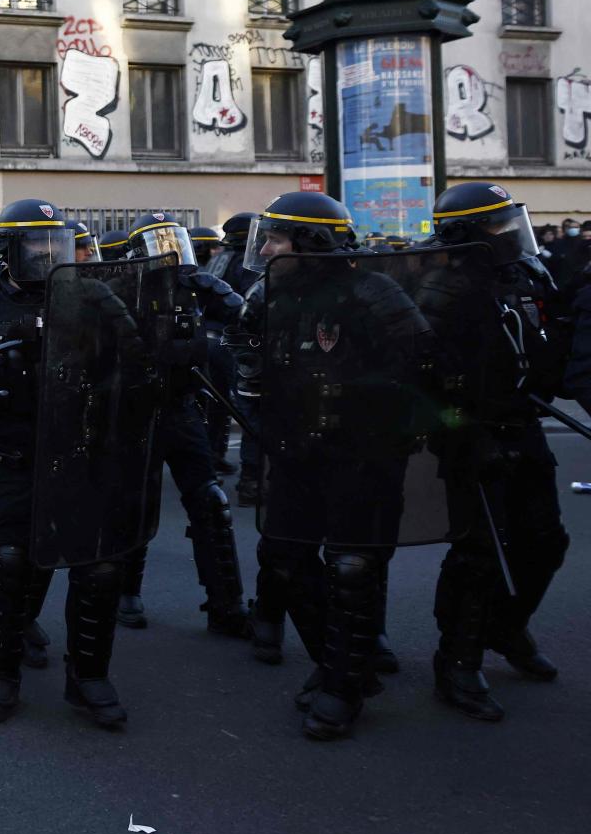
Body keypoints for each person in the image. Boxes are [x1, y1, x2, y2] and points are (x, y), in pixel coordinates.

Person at [0, 198, 143, 729]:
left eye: (54, 242)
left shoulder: (90, 294)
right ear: (6, 248)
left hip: (78, 455)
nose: (46, 253)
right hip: (8, 454)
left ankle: (88, 676)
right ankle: (2, 672)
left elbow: (135, 357)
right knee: (9, 561)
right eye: (35, 243)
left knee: (98, 565)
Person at [228, 191, 434, 739]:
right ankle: (340, 662)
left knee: (352, 569)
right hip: (296, 451)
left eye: (275, 238)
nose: (266, 248)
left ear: (313, 242)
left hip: (363, 455)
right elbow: (242, 346)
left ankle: (343, 685)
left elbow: (422, 365)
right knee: (286, 559)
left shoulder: (375, 293)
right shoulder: (268, 292)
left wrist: (359, 396)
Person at [425, 183, 571, 720]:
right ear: (464, 234)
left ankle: (507, 629)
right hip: (472, 434)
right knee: (479, 554)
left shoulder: (521, 276)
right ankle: (456, 661)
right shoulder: (440, 290)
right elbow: (424, 385)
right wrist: (466, 433)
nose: (511, 233)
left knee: (547, 540)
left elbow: (546, 342)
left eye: (512, 222)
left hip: (521, 423)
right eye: (497, 225)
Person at [111, 215, 251, 639]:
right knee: (136, 503)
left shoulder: (192, 290)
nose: (169, 252)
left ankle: (225, 602)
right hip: (137, 410)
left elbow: (248, 318)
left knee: (210, 501)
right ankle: (125, 592)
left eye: (175, 242)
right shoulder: (121, 293)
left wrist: (219, 290)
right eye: (158, 244)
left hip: (182, 406)